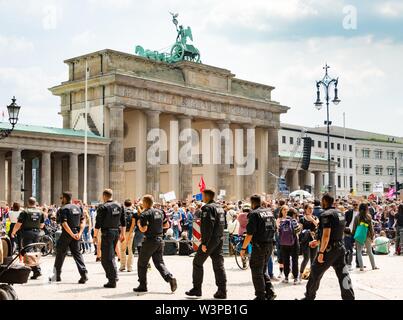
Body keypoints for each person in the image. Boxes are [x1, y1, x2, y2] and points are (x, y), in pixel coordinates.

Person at [301, 194, 355, 300]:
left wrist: (321, 252)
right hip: (340, 248)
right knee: (343, 274)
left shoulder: (326, 214)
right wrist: (318, 242)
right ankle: (349, 298)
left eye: (322, 201)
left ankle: (309, 297)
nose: (321, 202)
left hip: (329, 250)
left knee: (315, 273)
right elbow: (338, 232)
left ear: (325, 201)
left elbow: (327, 234)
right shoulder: (340, 213)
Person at [186, 189, 227, 299]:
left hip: (210, 240)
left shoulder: (207, 208)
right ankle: (222, 290)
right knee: (219, 265)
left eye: (203, 195)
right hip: (219, 238)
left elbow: (207, 227)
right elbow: (223, 224)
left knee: (197, 263)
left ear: (206, 196)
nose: (201, 197)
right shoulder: (220, 207)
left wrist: (204, 243)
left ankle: (197, 289)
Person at [133, 194, 177, 293]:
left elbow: (143, 229)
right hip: (160, 240)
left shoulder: (145, 214)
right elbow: (167, 225)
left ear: (144, 203)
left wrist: (139, 224)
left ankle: (142, 285)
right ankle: (170, 278)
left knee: (142, 264)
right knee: (159, 263)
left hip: (149, 241)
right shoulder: (160, 212)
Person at [240, 195, 276, 300]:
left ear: (252, 203)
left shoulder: (254, 214)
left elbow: (249, 234)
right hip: (269, 244)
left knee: (256, 270)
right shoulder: (269, 212)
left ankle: (260, 295)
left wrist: (243, 249)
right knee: (262, 269)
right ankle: (270, 292)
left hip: (260, 246)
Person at [49, 192, 88, 283]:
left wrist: (71, 234)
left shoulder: (63, 209)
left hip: (67, 234)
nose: (61, 200)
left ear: (65, 198)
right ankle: (84, 274)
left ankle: (56, 275)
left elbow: (64, 223)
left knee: (60, 254)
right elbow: (83, 221)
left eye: (61, 198)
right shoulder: (78, 208)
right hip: (76, 233)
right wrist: (79, 233)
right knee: (77, 254)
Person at [93, 189, 126, 288]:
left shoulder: (102, 207)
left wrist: (95, 236)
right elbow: (123, 221)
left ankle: (112, 279)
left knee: (106, 258)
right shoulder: (120, 205)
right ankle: (114, 276)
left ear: (104, 196)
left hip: (107, 233)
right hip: (116, 232)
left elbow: (98, 224)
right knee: (110, 256)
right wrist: (123, 234)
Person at [11, 197, 44, 280]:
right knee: (33, 250)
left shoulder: (24, 212)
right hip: (36, 233)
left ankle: (37, 270)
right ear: (35, 202)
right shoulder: (40, 212)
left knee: (29, 251)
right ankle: (34, 269)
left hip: (27, 233)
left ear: (28, 203)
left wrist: (13, 232)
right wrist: (37, 229)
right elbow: (42, 224)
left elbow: (18, 224)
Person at [352, 202, 378, 271]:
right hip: (367, 235)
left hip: (359, 236)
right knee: (369, 251)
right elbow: (371, 228)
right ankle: (373, 266)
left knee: (359, 252)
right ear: (366, 209)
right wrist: (372, 236)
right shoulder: (368, 216)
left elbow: (354, 228)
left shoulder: (357, 217)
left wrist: (353, 236)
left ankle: (361, 267)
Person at [279, 207, 301, 285]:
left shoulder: (282, 221)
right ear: (294, 215)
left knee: (286, 260)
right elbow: (297, 231)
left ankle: (286, 278)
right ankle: (295, 278)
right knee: (295, 260)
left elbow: (279, 231)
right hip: (294, 243)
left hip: (284, 244)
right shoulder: (294, 221)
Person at [299, 203, 319, 281]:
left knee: (313, 259)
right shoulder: (302, 219)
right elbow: (300, 230)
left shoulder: (315, 218)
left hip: (314, 240)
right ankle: (300, 275)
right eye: (309, 208)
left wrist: (312, 219)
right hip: (306, 241)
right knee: (306, 258)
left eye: (312, 208)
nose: (311, 210)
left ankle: (312, 276)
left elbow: (318, 225)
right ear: (305, 209)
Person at [119, 199, 136, 272]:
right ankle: (130, 267)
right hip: (131, 232)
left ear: (124, 204)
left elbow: (119, 223)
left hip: (123, 232)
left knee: (122, 250)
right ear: (131, 204)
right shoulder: (134, 212)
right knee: (130, 250)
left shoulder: (121, 212)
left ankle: (122, 266)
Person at [344, 200, 360, 270]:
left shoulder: (361, 213)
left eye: (356, 204)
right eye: (354, 205)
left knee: (358, 249)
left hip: (358, 232)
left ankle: (358, 263)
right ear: (352, 205)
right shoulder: (348, 212)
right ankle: (348, 263)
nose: (355, 206)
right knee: (349, 249)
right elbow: (344, 221)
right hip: (349, 232)